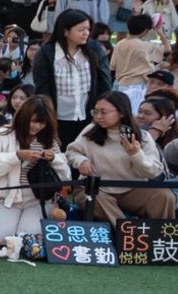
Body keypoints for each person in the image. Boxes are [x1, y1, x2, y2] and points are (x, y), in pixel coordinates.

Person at [65, 90, 175, 222]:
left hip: (132, 190)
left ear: (121, 112)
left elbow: (153, 171)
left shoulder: (142, 136)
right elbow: (71, 152)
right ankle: (127, 231)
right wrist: (81, 161)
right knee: (97, 199)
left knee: (164, 196)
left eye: (104, 112)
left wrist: (136, 154)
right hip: (95, 189)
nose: (98, 116)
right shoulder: (90, 131)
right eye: (95, 112)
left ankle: (159, 233)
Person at [0, 94, 68, 238]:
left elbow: (65, 176)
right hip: (7, 198)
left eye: (42, 123)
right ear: (23, 116)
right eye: (33, 121)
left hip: (38, 200)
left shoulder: (49, 141)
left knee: (29, 237)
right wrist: (17, 156)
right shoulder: (3, 134)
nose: (37, 126)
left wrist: (54, 159)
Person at [32, 10, 112, 147]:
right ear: (65, 31)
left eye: (88, 29)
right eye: (81, 29)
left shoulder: (94, 49)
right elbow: (42, 89)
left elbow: (104, 83)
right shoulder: (46, 53)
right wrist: (47, 116)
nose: (86, 33)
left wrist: (101, 113)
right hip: (58, 118)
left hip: (89, 117)